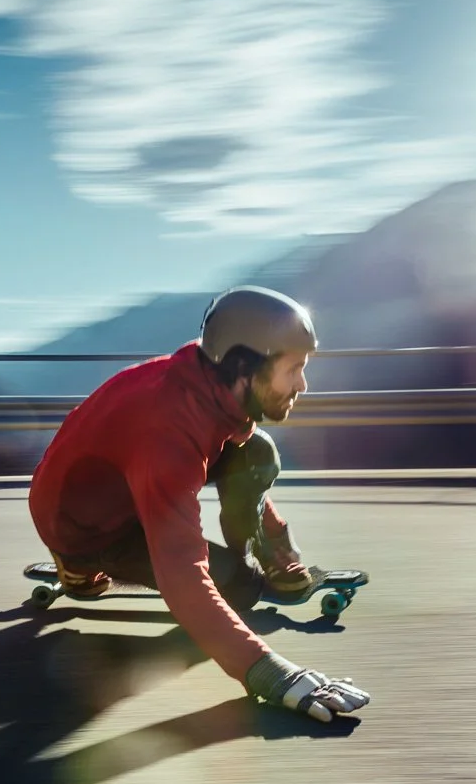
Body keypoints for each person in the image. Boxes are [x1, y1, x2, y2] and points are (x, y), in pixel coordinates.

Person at [27, 286, 370, 723]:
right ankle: (76, 565)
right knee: (241, 587)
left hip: (121, 484)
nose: (303, 384)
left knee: (254, 451)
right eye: (294, 369)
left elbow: (245, 466)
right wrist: (270, 673)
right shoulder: (169, 433)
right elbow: (182, 574)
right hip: (86, 524)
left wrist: (277, 541)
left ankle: (273, 564)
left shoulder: (212, 380)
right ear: (246, 367)